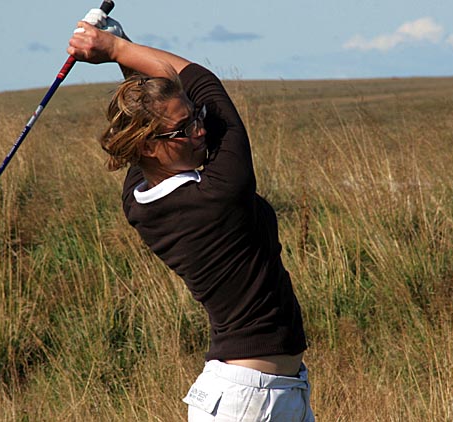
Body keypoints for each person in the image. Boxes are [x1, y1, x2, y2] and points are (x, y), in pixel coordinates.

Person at [68, 15, 314, 422]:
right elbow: (203, 81)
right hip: (248, 400)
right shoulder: (219, 194)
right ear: (149, 146)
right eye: (185, 129)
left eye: (196, 116)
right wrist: (115, 49)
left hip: (272, 392)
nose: (201, 131)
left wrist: (123, 51)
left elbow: (151, 103)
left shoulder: (138, 196)